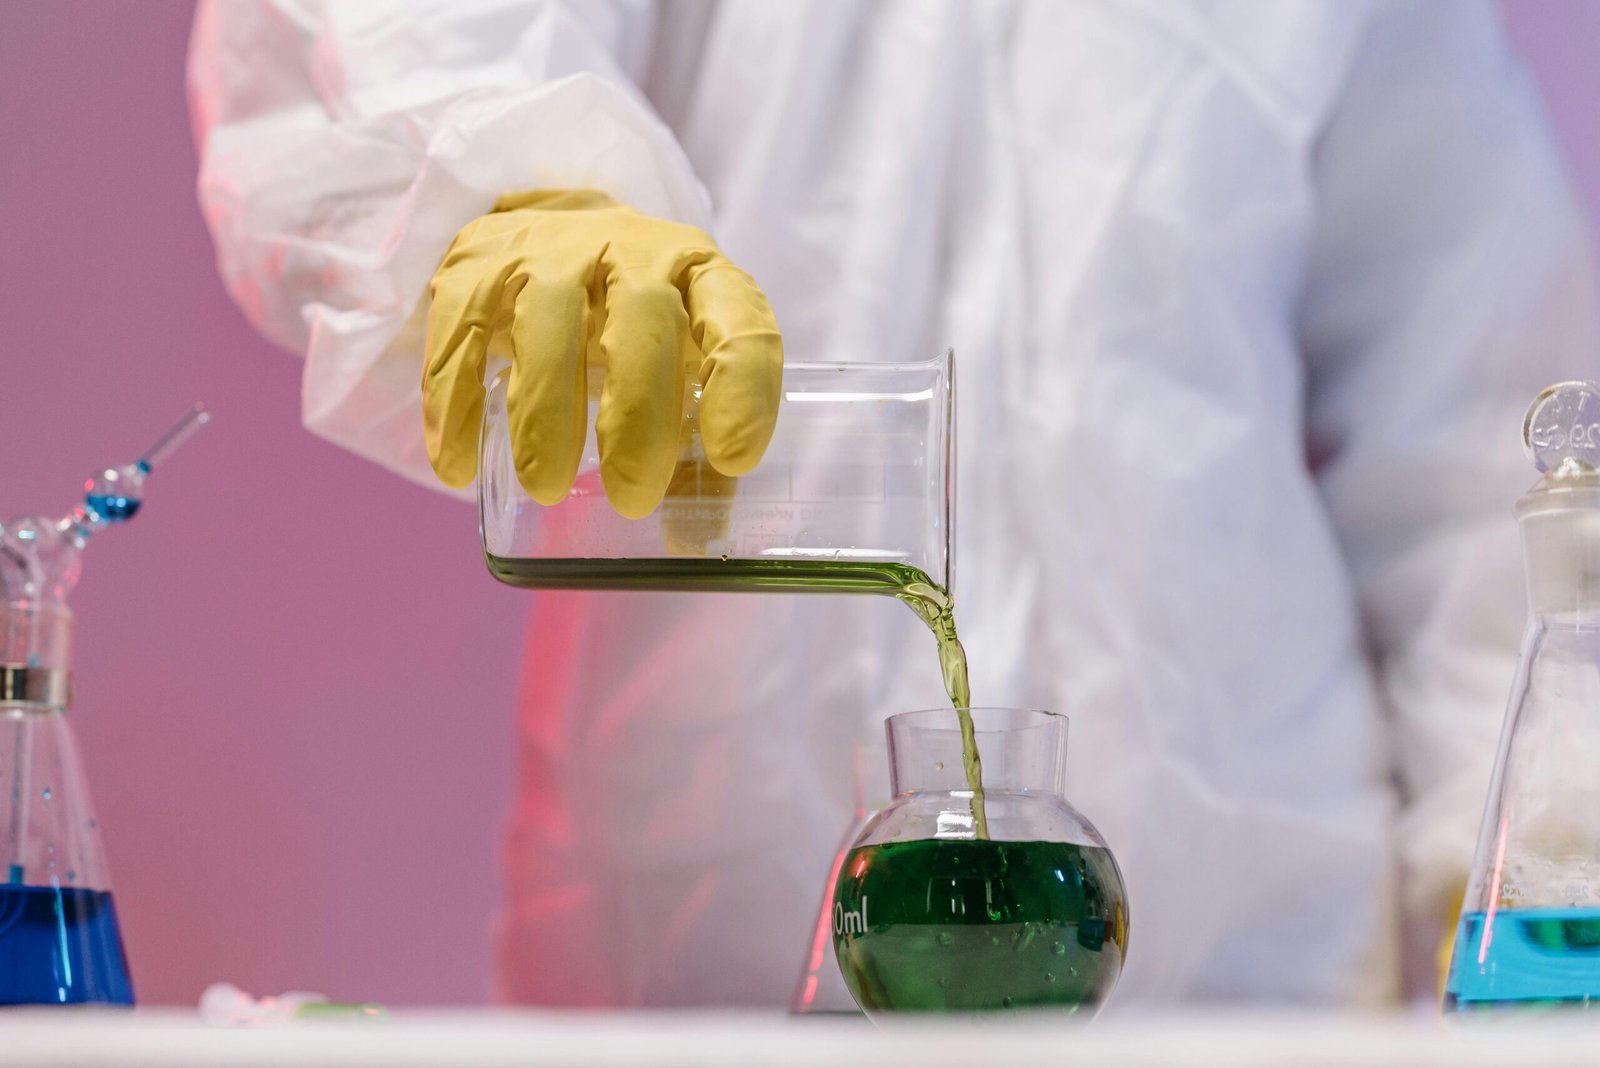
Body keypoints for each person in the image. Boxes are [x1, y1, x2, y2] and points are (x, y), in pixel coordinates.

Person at [189, 0, 1599, 1006]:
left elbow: (1499, 442)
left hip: (1246, 974)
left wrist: (1552, 874)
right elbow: (396, 28)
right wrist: (511, 180)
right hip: (704, 956)